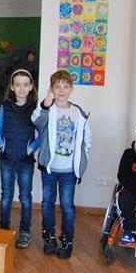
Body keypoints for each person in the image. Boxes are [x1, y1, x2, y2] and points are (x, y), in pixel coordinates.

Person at [32, 70, 92, 259]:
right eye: (57, 86)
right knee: (47, 203)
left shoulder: (78, 113)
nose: (61, 90)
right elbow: (36, 120)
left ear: (71, 89)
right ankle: (49, 238)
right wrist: (45, 103)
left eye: (66, 86)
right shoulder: (48, 110)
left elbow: (87, 140)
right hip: (50, 168)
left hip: (69, 171)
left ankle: (67, 240)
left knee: (67, 206)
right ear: (51, 89)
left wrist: (82, 162)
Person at [0, 69, 41, 249]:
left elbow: (43, 134)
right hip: (6, 158)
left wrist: (32, 148)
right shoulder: (6, 106)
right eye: (18, 84)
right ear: (12, 87)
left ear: (30, 87)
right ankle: (4, 229)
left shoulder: (35, 109)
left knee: (25, 197)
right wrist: (2, 145)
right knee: (6, 195)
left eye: (25, 85)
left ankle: (25, 232)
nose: (21, 88)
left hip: (26, 161)